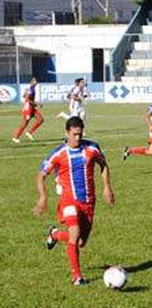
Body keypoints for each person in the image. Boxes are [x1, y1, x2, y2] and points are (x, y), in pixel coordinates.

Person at [34, 116, 115, 285]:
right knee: (75, 231)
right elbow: (41, 175)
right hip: (68, 200)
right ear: (67, 133)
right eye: (74, 134)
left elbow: (103, 165)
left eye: (80, 134)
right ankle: (77, 277)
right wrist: (42, 197)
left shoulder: (92, 148)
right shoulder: (59, 153)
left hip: (88, 202)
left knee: (79, 242)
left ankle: (55, 234)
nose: (78, 138)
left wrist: (106, 186)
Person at [12, 77, 44, 143]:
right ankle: (15, 137)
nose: (36, 82)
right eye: (35, 81)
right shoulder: (30, 89)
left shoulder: (31, 89)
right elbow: (27, 99)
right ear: (31, 82)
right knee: (24, 124)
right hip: (28, 109)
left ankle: (29, 132)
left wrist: (35, 102)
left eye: (36, 81)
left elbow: (24, 96)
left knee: (40, 119)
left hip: (32, 107)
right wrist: (36, 103)